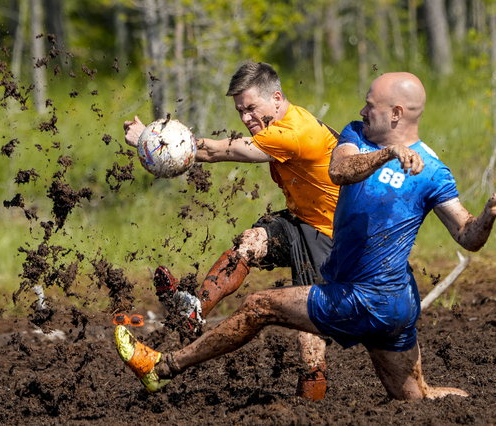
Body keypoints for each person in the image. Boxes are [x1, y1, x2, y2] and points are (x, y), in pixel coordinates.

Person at [115, 71, 496, 399]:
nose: (362, 110)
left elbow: (468, 236)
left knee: (261, 306)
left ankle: (163, 367)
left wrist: (489, 214)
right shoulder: (355, 136)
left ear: (397, 114)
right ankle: (195, 311)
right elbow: (341, 171)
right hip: (375, 293)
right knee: (415, 397)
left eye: (371, 105)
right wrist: (387, 153)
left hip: (373, 296)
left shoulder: (433, 172)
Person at [123, 61, 340, 400]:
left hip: (331, 234)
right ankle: (194, 311)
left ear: (277, 98)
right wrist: (152, 141)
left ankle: (313, 400)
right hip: (302, 219)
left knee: (308, 325)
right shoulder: (283, 122)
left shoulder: (295, 133)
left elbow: (218, 150)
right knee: (249, 243)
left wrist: (153, 141)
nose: (246, 118)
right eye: (240, 111)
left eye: (251, 108)